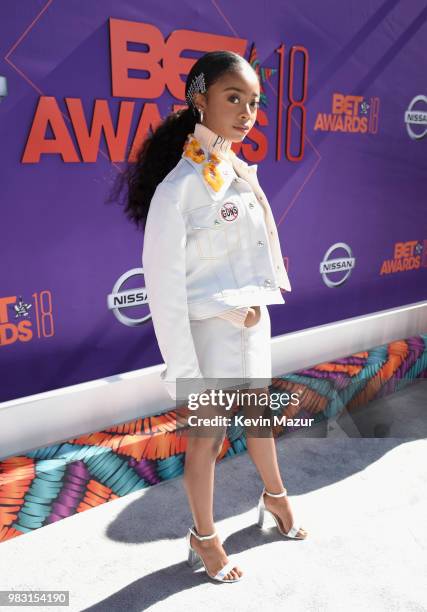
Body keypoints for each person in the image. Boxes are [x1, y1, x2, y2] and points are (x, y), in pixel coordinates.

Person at [118, 50, 308, 584]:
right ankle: (203, 537)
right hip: (206, 337)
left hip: (254, 326)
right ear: (199, 99)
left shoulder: (239, 173)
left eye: (253, 102)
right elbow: (163, 289)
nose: (247, 112)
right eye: (233, 98)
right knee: (206, 438)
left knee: (261, 419)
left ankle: (275, 497)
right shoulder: (177, 190)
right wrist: (185, 370)